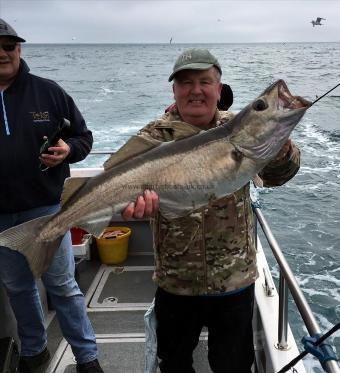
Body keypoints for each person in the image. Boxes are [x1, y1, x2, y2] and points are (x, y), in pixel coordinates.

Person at [115, 48, 300, 373]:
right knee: (174, 363)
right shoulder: (153, 137)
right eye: (185, 83)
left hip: (234, 281)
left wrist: (280, 148)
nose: (195, 90)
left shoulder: (242, 128)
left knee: (232, 365)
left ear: (219, 88)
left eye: (205, 81)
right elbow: (121, 184)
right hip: (176, 282)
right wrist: (133, 205)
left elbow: (277, 176)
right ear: (174, 90)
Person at [0, 19, 103, 373]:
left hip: (47, 209)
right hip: (1, 216)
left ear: (19, 49)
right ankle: (34, 351)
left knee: (61, 284)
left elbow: (84, 138)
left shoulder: (48, 92)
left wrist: (67, 149)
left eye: (9, 45)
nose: (3, 52)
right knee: (18, 288)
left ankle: (87, 357)